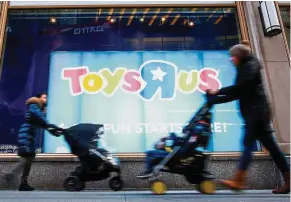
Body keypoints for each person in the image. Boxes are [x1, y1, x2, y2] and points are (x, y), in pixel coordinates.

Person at [207, 40, 290, 194]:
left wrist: (217, 92)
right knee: (270, 146)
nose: (231, 59)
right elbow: (237, 93)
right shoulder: (244, 67)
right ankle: (288, 180)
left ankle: (239, 180)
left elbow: (240, 88)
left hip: (257, 112)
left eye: (233, 56)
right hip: (255, 112)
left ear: (239, 56)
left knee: (248, 143)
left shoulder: (251, 65)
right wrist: (215, 100)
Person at [3, 92, 62, 191]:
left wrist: (56, 131)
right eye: (44, 97)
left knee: (29, 158)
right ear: (38, 98)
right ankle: (12, 174)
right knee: (28, 157)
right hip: (26, 134)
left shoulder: (37, 110)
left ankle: (23, 183)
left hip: (28, 135)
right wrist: (54, 127)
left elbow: (44, 125)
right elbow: (43, 121)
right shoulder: (34, 106)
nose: (46, 99)